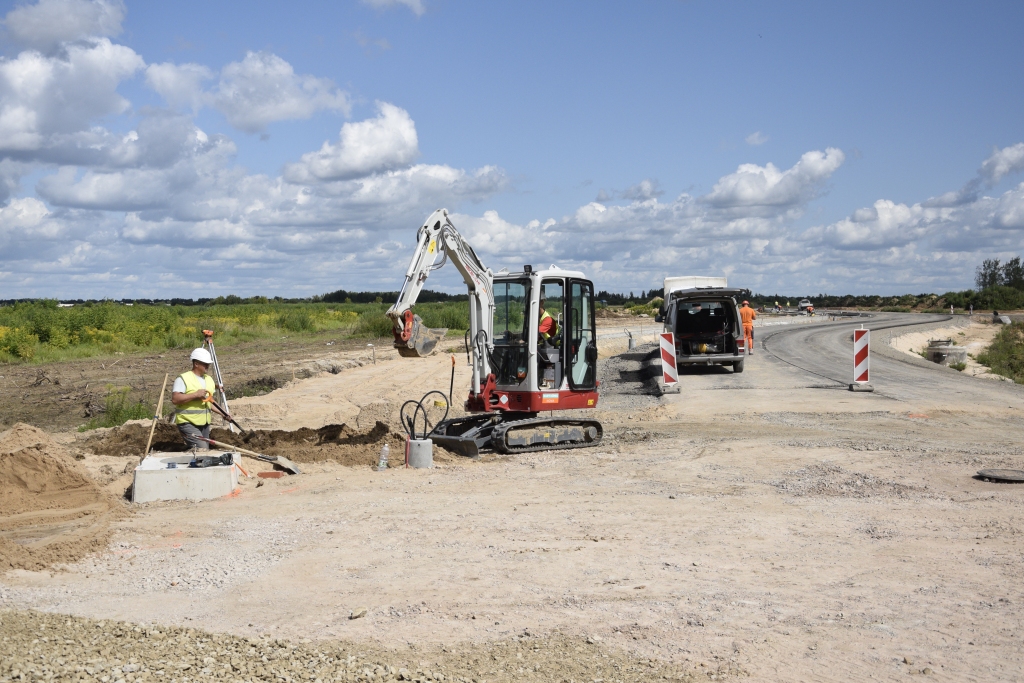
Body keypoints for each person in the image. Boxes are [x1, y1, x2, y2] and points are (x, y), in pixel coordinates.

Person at [172, 348, 217, 449]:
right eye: (205, 363)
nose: (207, 366)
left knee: (204, 451)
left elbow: (210, 401)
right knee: (202, 449)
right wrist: (195, 395)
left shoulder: (209, 379)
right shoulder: (183, 378)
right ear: (196, 363)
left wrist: (224, 414)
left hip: (204, 424)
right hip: (187, 422)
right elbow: (175, 399)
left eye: (208, 364)